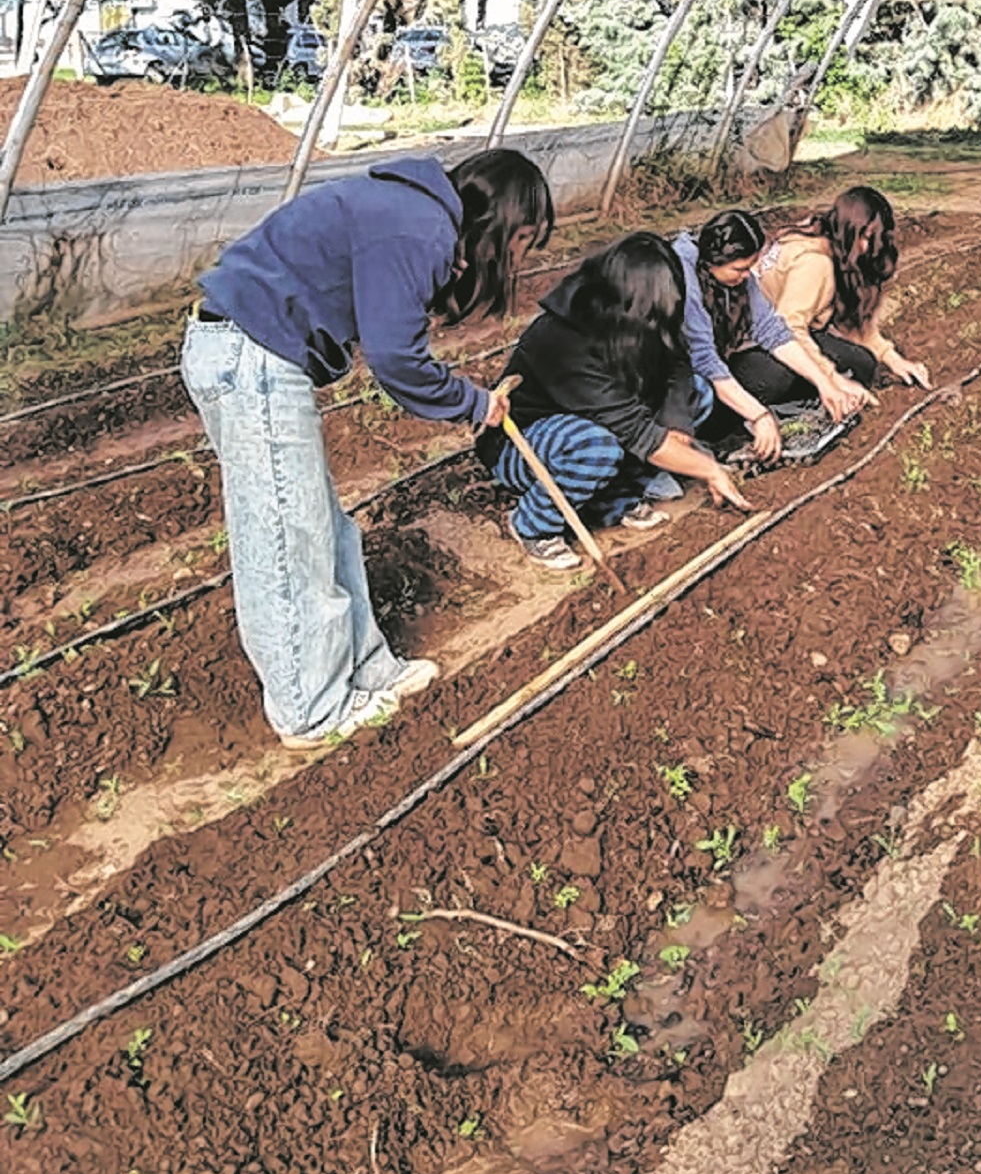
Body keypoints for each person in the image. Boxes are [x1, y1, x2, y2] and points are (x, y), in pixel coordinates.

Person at [181, 149, 554, 753]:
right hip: (250, 355)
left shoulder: (415, 213)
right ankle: (312, 707)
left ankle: (368, 668)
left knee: (327, 531)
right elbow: (395, 356)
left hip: (254, 352)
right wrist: (475, 404)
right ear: (501, 221)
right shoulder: (421, 225)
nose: (517, 258)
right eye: (522, 240)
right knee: (287, 538)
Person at [479, 232, 751, 566]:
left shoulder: (638, 316)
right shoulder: (564, 340)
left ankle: (614, 501)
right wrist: (708, 469)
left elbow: (678, 364)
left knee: (698, 392)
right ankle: (534, 525)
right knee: (596, 446)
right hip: (525, 442)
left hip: (603, 421)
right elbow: (635, 433)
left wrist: (677, 424)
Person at [673, 207, 870, 465]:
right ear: (714, 260)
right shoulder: (685, 277)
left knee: (786, 375)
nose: (747, 277)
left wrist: (826, 384)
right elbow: (705, 360)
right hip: (678, 378)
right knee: (757, 385)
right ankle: (706, 439)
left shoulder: (736, 279)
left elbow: (773, 331)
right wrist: (759, 417)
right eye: (739, 269)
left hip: (710, 370)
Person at [757, 186, 930, 392]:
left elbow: (854, 325)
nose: (867, 248)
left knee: (860, 362)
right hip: (753, 348)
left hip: (769, 334)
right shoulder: (815, 264)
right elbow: (788, 329)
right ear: (847, 230)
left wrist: (892, 358)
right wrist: (830, 379)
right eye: (864, 238)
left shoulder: (823, 239)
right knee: (787, 376)